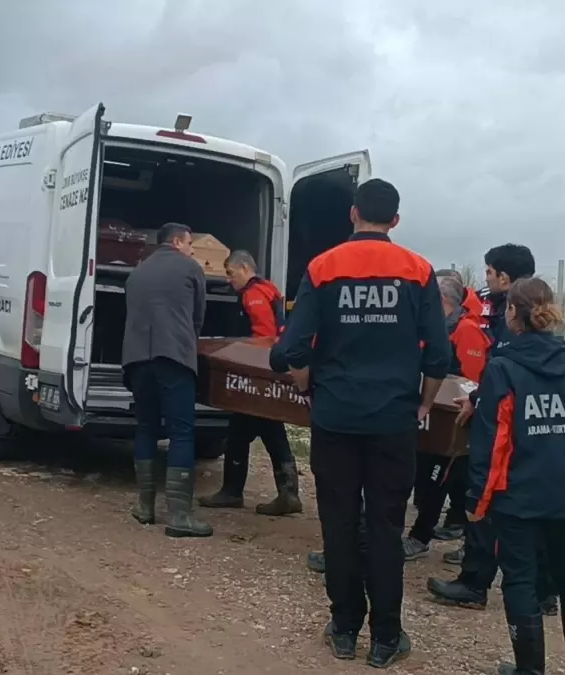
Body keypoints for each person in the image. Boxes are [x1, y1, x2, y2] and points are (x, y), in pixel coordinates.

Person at [277, 178, 449, 668]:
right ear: (395, 220)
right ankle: (386, 638)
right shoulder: (418, 272)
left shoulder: (323, 266)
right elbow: (438, 355)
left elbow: (292, 347)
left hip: (336, 417)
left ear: (353, 214)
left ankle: (345, 629)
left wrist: (307, 384)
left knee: (338, 522)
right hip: (393, 420)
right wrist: (422, 404)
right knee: (385, 525)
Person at [462, 277, 565, 675]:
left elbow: (490, 441)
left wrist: (477, 499)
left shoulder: (502, 369)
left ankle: (529, 670)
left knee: (521, 580)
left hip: (520, 496)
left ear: (512, 312)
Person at [429, 244, 558, 618]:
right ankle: (481, 580)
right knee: (490, 499)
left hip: (513, 427)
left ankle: (520, 588)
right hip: (507, 419)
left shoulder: (521, 319)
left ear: (505, 277)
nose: (484, 280)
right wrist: (477, 398)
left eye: (488, 272)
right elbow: (497, 368)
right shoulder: (504, 314)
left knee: (490, 496)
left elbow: (512, 369)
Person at [122, 222, 211, 538]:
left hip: (136, 361)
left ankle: (145, 507)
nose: (191, 250)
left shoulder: (137, 273)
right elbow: (198, 316)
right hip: (173, 357)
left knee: (145, 427)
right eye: (190, 243)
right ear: (176, 242)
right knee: (182, 432)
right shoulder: (189, 268)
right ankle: (179, 516)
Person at [198, 250, 302, 516]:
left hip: (257, 373)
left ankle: (233, 492)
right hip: (268, 373)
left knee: (247, 432)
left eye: (231, 274)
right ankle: (286, 492)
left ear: (245, 268)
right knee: (266, 429)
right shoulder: (269, 289)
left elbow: (263, 337)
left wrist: (241, 359)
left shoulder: (253, 295)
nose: (230, 280)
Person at [402, 277, 492, 560]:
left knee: (437, 479)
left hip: (455, 421)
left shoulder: (466, 331)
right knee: (436, 477)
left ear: (442, 302)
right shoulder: (433, 328)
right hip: (433, 416)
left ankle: (422, 537)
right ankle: (463, 537)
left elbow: (475, 381)